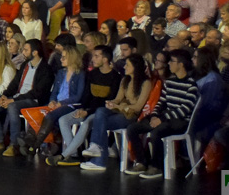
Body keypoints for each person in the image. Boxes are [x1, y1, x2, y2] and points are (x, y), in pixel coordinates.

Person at [125, 49, 200, 179]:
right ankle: (141, 162)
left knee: (157, 131)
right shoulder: (170, 82)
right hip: (165, 118)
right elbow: (161, 102)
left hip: (180, 121)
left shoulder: (191, 85)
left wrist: (162, 118)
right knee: (133, 128)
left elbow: (185, 109)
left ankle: (156, 166)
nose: (169, 64)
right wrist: (154, 115)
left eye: (172, 61)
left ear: (181, 64)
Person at [79, 53, 153, 170]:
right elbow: (118, 99)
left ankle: (99, 159)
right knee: (101, 112)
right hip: (120, 110)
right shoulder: (125, 80)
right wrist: (112, 103)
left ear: (136, 67)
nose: (124, 67)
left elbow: (138, 107)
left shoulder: (145, 83)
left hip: (131, 115)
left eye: (127, 65)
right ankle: (96, 149)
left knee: (100, 122)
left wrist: (119, 107)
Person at [52, 45, 123, 165]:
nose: (93, 59)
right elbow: (86, 95)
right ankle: (73, 154)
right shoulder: (92, 74)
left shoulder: (115, 77)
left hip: (101, 112)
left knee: (86, 124)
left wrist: (88, 111)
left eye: (96, 56)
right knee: (63, 120)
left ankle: (64, 155)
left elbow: (108, 100)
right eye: (93, 56)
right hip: (87, 108)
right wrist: (83, 108)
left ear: (105, 59)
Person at [0, 39, 53, 155]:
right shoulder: (25, 65)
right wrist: (5, 95)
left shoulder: (45, 69)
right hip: (17, 97)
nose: (23, 52)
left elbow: (38, 92)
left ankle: (13, 144)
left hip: (33, 100)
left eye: (26, 50)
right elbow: (15, 84)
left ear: (35, 52)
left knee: (12, 106)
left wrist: (13, 100)